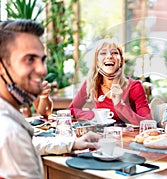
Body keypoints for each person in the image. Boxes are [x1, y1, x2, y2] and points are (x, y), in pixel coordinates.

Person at [0, 20, 101, 178]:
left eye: (42, 60)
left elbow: (30, 144)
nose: (42, 69)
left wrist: (73, 143)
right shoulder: (10, 132)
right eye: (29, 59)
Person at [69, 39, 152, 126]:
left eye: (115, 53)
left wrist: (120, 105)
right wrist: (94, 115)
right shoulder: (91, 82)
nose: (109, 56)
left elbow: (148, 122)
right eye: (103, 53)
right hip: (101, 135)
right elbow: (72, 109)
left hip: (128, 136)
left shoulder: (134, 86)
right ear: (96, 61)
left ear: (121, 61)